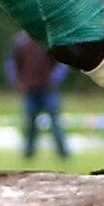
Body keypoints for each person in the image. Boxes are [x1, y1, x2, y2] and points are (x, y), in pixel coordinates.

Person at [10, 31, 71, 161]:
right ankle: (28, 153)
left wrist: (55, 79)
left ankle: (63, 153)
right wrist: (16, 81)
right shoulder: (21, 42)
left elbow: (62, 63)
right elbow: (13, 63)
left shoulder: (49, 40)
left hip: (48, 89)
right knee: (30, 123)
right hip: (29, 89)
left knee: (55, 122)